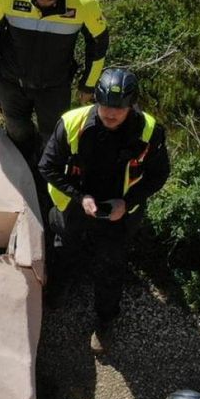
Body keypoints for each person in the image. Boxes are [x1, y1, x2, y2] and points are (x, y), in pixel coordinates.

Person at [37, 66, 169, 354]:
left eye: (118, 109)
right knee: (63, 250)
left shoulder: (149, 131)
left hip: (118, 212)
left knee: (111, 266)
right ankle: (58, 292)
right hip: (74, 206)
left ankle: (106, 321)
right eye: (105, 106)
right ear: (95, 100)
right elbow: (47, 167)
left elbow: (159, 175)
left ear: (132, 106)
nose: (110, 113)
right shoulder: (72, 123)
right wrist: (79, 196)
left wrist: (128, 202)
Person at [0, 0, 108, 168]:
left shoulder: (84, 3)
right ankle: (23, 167)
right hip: (12, 82)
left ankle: (45, 173)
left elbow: (98, 46)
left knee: (53, 137)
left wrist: (88, 85)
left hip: (54, 86)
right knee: (17, 130)